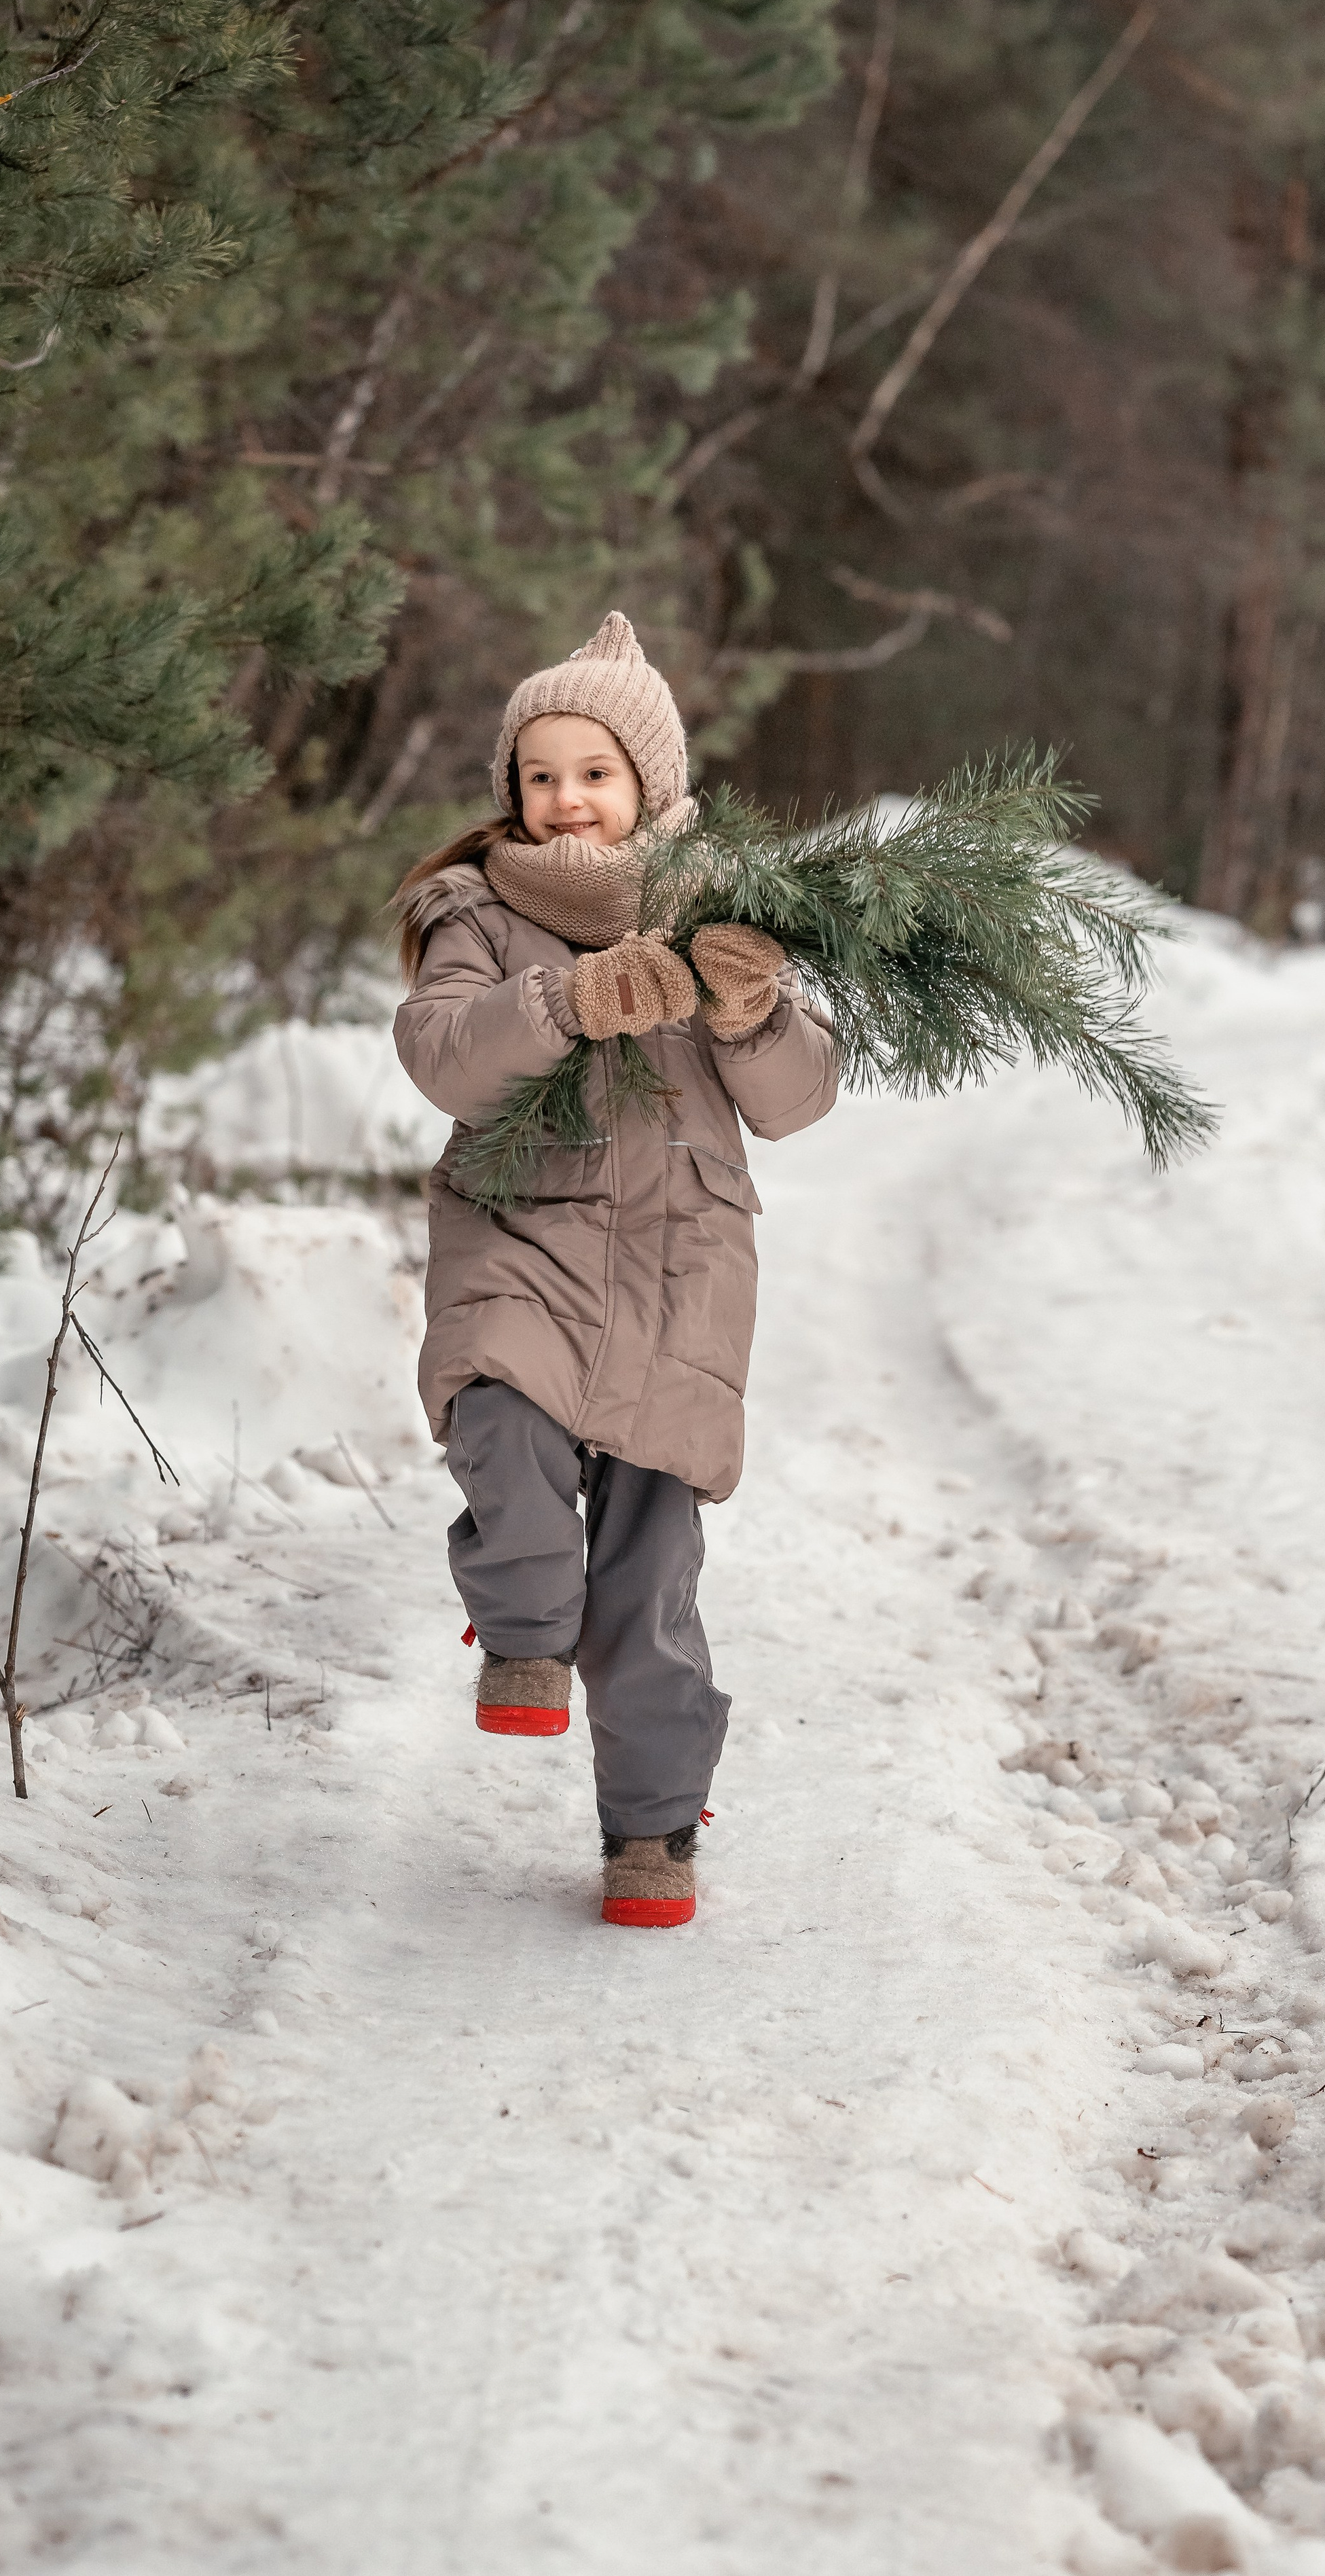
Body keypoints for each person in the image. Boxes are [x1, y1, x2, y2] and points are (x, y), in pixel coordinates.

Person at [391, 613, 837, 1927]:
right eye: (540, 775)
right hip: (520, 1237)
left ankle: (652, 1835)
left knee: (649, 1583)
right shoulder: (476, 910)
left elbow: (798, 1100)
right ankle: (524, 1627)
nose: (565, 798)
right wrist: (566, 1006)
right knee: (498, 1410)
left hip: (677, 1274)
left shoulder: (720, 919)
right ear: (510, 793)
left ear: (652, 787)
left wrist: (750, 1010)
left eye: (595, 771)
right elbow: (438, 1055)